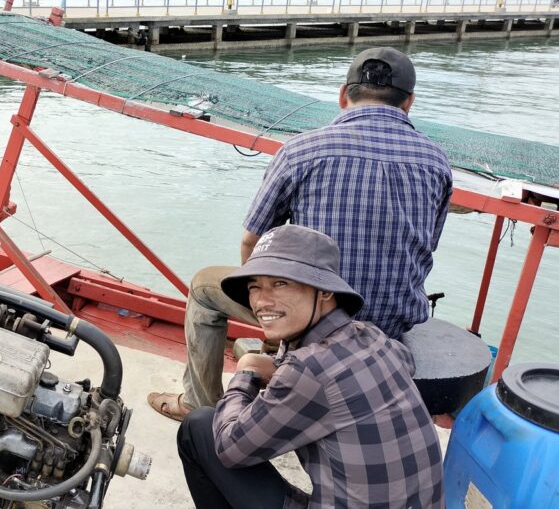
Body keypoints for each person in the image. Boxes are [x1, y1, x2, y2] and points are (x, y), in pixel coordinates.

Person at [149, 47, 453, 421]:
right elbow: (427, 247)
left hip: (317, 322)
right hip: (390, 324)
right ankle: (279, 344)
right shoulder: (437, 161)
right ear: (409, 103)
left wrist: (266, 306)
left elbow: (252, 241)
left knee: (203, 287)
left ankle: (199, 404)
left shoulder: (302, 150)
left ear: (343, 96)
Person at [171, 224, 452, 509]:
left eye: (280, 283)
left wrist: (246, 373)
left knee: (200, 428)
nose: (261, 301)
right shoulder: (375, 339)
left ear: (325, 292)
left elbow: (231, 449)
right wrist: (279, 370)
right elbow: (394, 366)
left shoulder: (308, 370)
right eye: (254, 286)